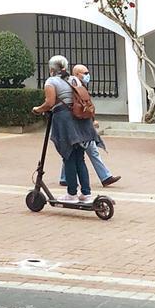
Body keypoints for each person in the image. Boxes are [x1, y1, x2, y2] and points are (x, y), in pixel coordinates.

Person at [32, 55, 99, 203]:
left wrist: (37, 109)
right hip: (80, 119)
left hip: (65, 120)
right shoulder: (74, 79)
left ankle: (72, 194)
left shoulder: (51, 81)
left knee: (68, 157)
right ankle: (86, 194)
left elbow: (49, 103)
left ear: (51, 69)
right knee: (79, 158)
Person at [59, 64, 120, 188]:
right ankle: (105, 177)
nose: (88, 75)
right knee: (90, 150)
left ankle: (65, 177)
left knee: (72, 151)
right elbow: (80, 107)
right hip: (79, 125)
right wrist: (90, 121)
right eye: (85, 73)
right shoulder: (74, 88)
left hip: (79, 124)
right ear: (76, 74)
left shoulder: (78, 87)